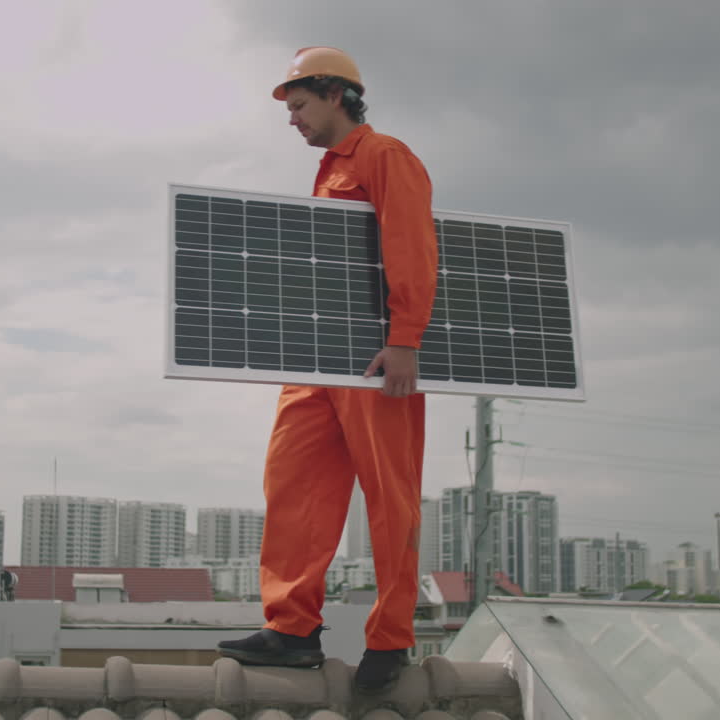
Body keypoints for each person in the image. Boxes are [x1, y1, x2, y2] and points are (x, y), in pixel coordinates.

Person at [217, 47, 439, 694]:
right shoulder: (327, 172)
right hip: (317, 365)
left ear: (335, 94)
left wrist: (405, 339)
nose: (292, 119)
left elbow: (410, 246)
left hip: (377, 363)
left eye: (299, 105)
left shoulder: (384, 156)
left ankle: (391, 640)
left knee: (389, 498)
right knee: (293, 487)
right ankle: (291, 630)